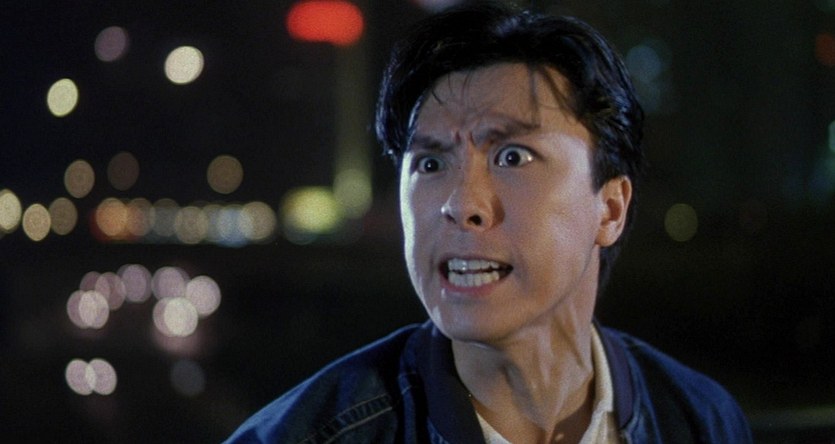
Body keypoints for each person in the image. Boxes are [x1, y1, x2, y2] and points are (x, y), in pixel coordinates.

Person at [225, 1, 753, 442]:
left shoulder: (698, 418)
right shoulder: (311, 435)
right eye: (430, 164)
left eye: (512, 157)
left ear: (611, 208)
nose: (461, 204)